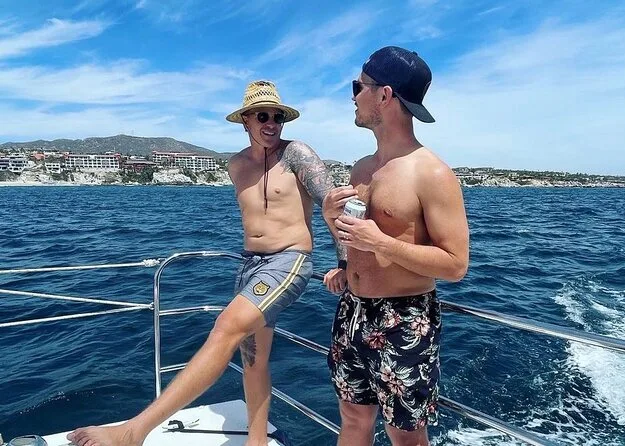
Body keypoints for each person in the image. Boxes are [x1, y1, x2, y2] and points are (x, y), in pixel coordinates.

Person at [68, 80, 340, 446]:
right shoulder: (236, 165)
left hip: (289, 261)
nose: (271, 123)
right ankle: (256, 441)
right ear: (245, 120)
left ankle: (134, 431)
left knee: (225, 327)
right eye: (262, 116)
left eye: (277, 117)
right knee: (253, 360)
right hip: (250, 265)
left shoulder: (296, 154)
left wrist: (344, 264)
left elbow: (334, 207)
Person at [323, 46, 470, 446]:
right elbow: (355, 238)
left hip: (404, 319)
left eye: (358, 87)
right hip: (352, 310)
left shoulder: (432, 174)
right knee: (352, 417)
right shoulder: (361, 168)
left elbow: (455, 264)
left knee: (405, 435)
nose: (353, 96)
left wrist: (382, 243)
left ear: (384, 95)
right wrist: (331, 224)